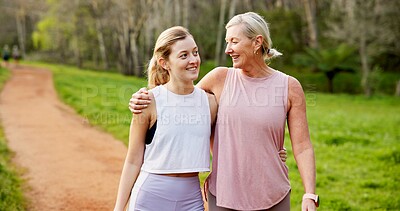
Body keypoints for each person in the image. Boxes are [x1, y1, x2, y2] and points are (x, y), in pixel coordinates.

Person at [129, 12, 318, 211]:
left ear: (257, 42)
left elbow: (303, 145)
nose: (228, 50)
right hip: (224, 194)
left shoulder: (289, 86)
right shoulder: (219, 78)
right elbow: (179, 103)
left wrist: (309, 194)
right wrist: (145, 99)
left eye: (234, 42)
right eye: (227, 42)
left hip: (273, 193)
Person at [114, 26, 218, 211]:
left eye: (195, 52)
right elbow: (133, 159)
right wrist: (119, 208)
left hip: (192, 200)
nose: (194, 60)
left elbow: (223, 145)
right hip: (150, 198)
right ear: (164, 63)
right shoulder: (148, 101)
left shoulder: (210, 103)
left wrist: (277, 151)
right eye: (184, 55)